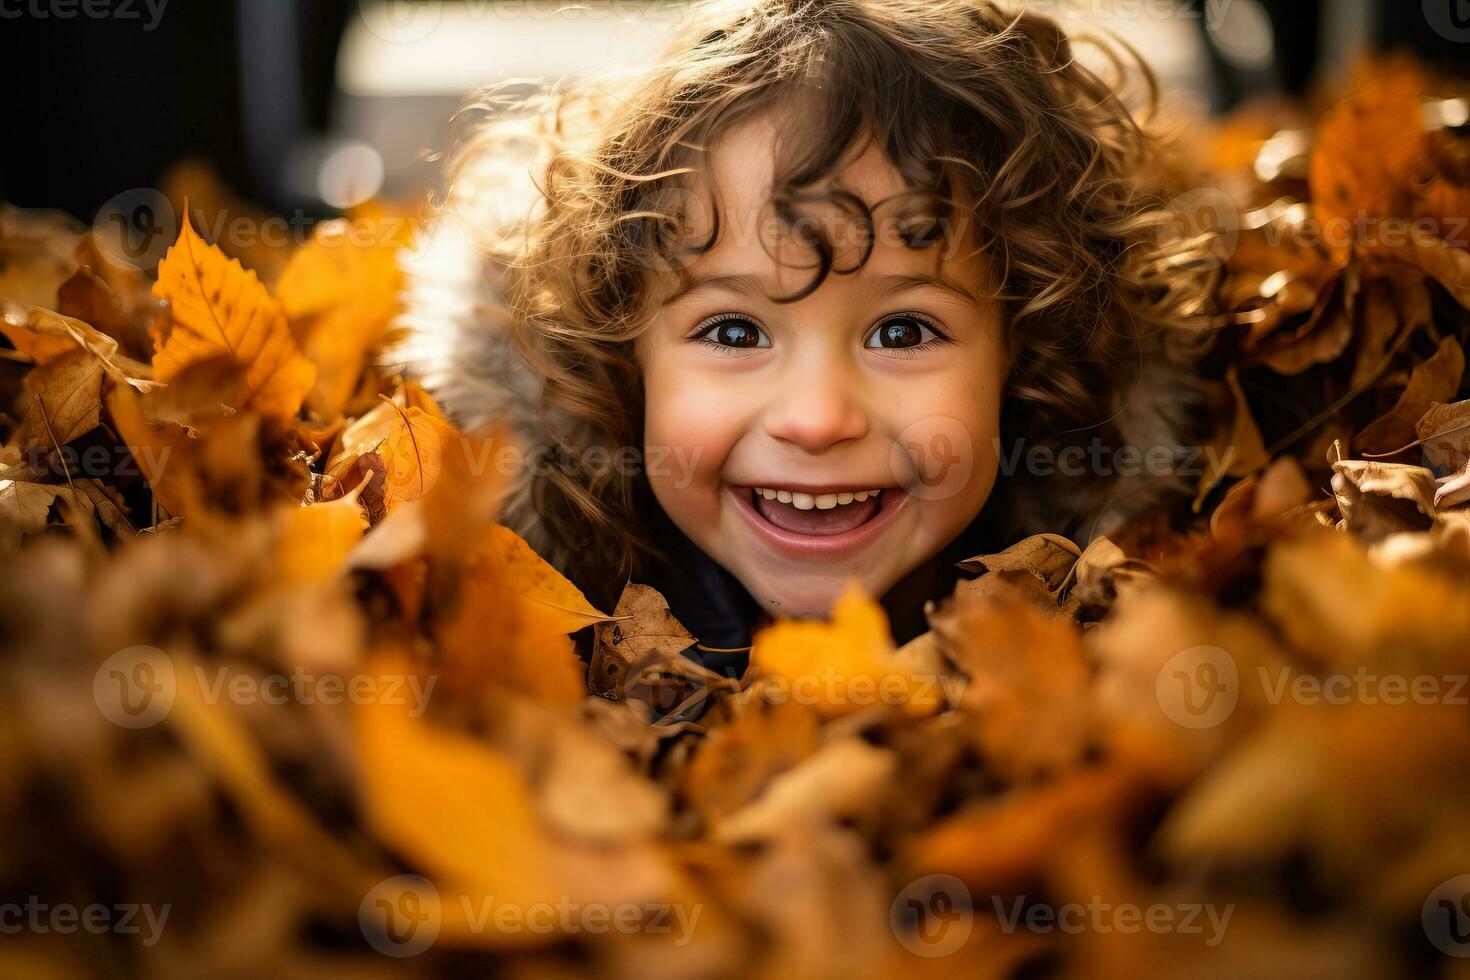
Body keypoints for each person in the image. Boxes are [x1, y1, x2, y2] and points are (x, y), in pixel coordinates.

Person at [392, 0, 1219, 671]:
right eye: (734, 330)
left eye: (901, 331)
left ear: (1024, 351)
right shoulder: (530, 645)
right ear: (624, 361)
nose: (817, 420)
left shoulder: (1124, 649)